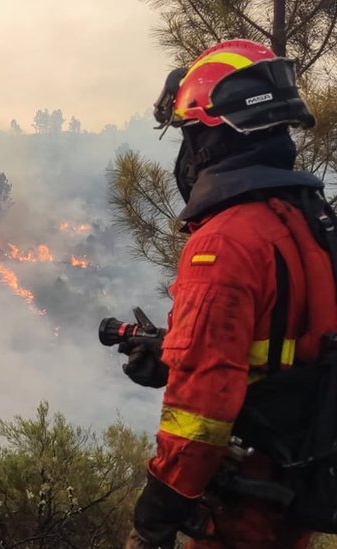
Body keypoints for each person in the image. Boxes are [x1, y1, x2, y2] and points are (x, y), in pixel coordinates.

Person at [122, 39, 334, 548]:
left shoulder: (223, 242)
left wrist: (160, 506)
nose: (187, 152)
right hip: (290, 490)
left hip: (241, 509)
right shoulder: (306, 221)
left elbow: (203, 403)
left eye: (190, 133)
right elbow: (279, 349)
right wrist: (173, 357)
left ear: (217, 137)